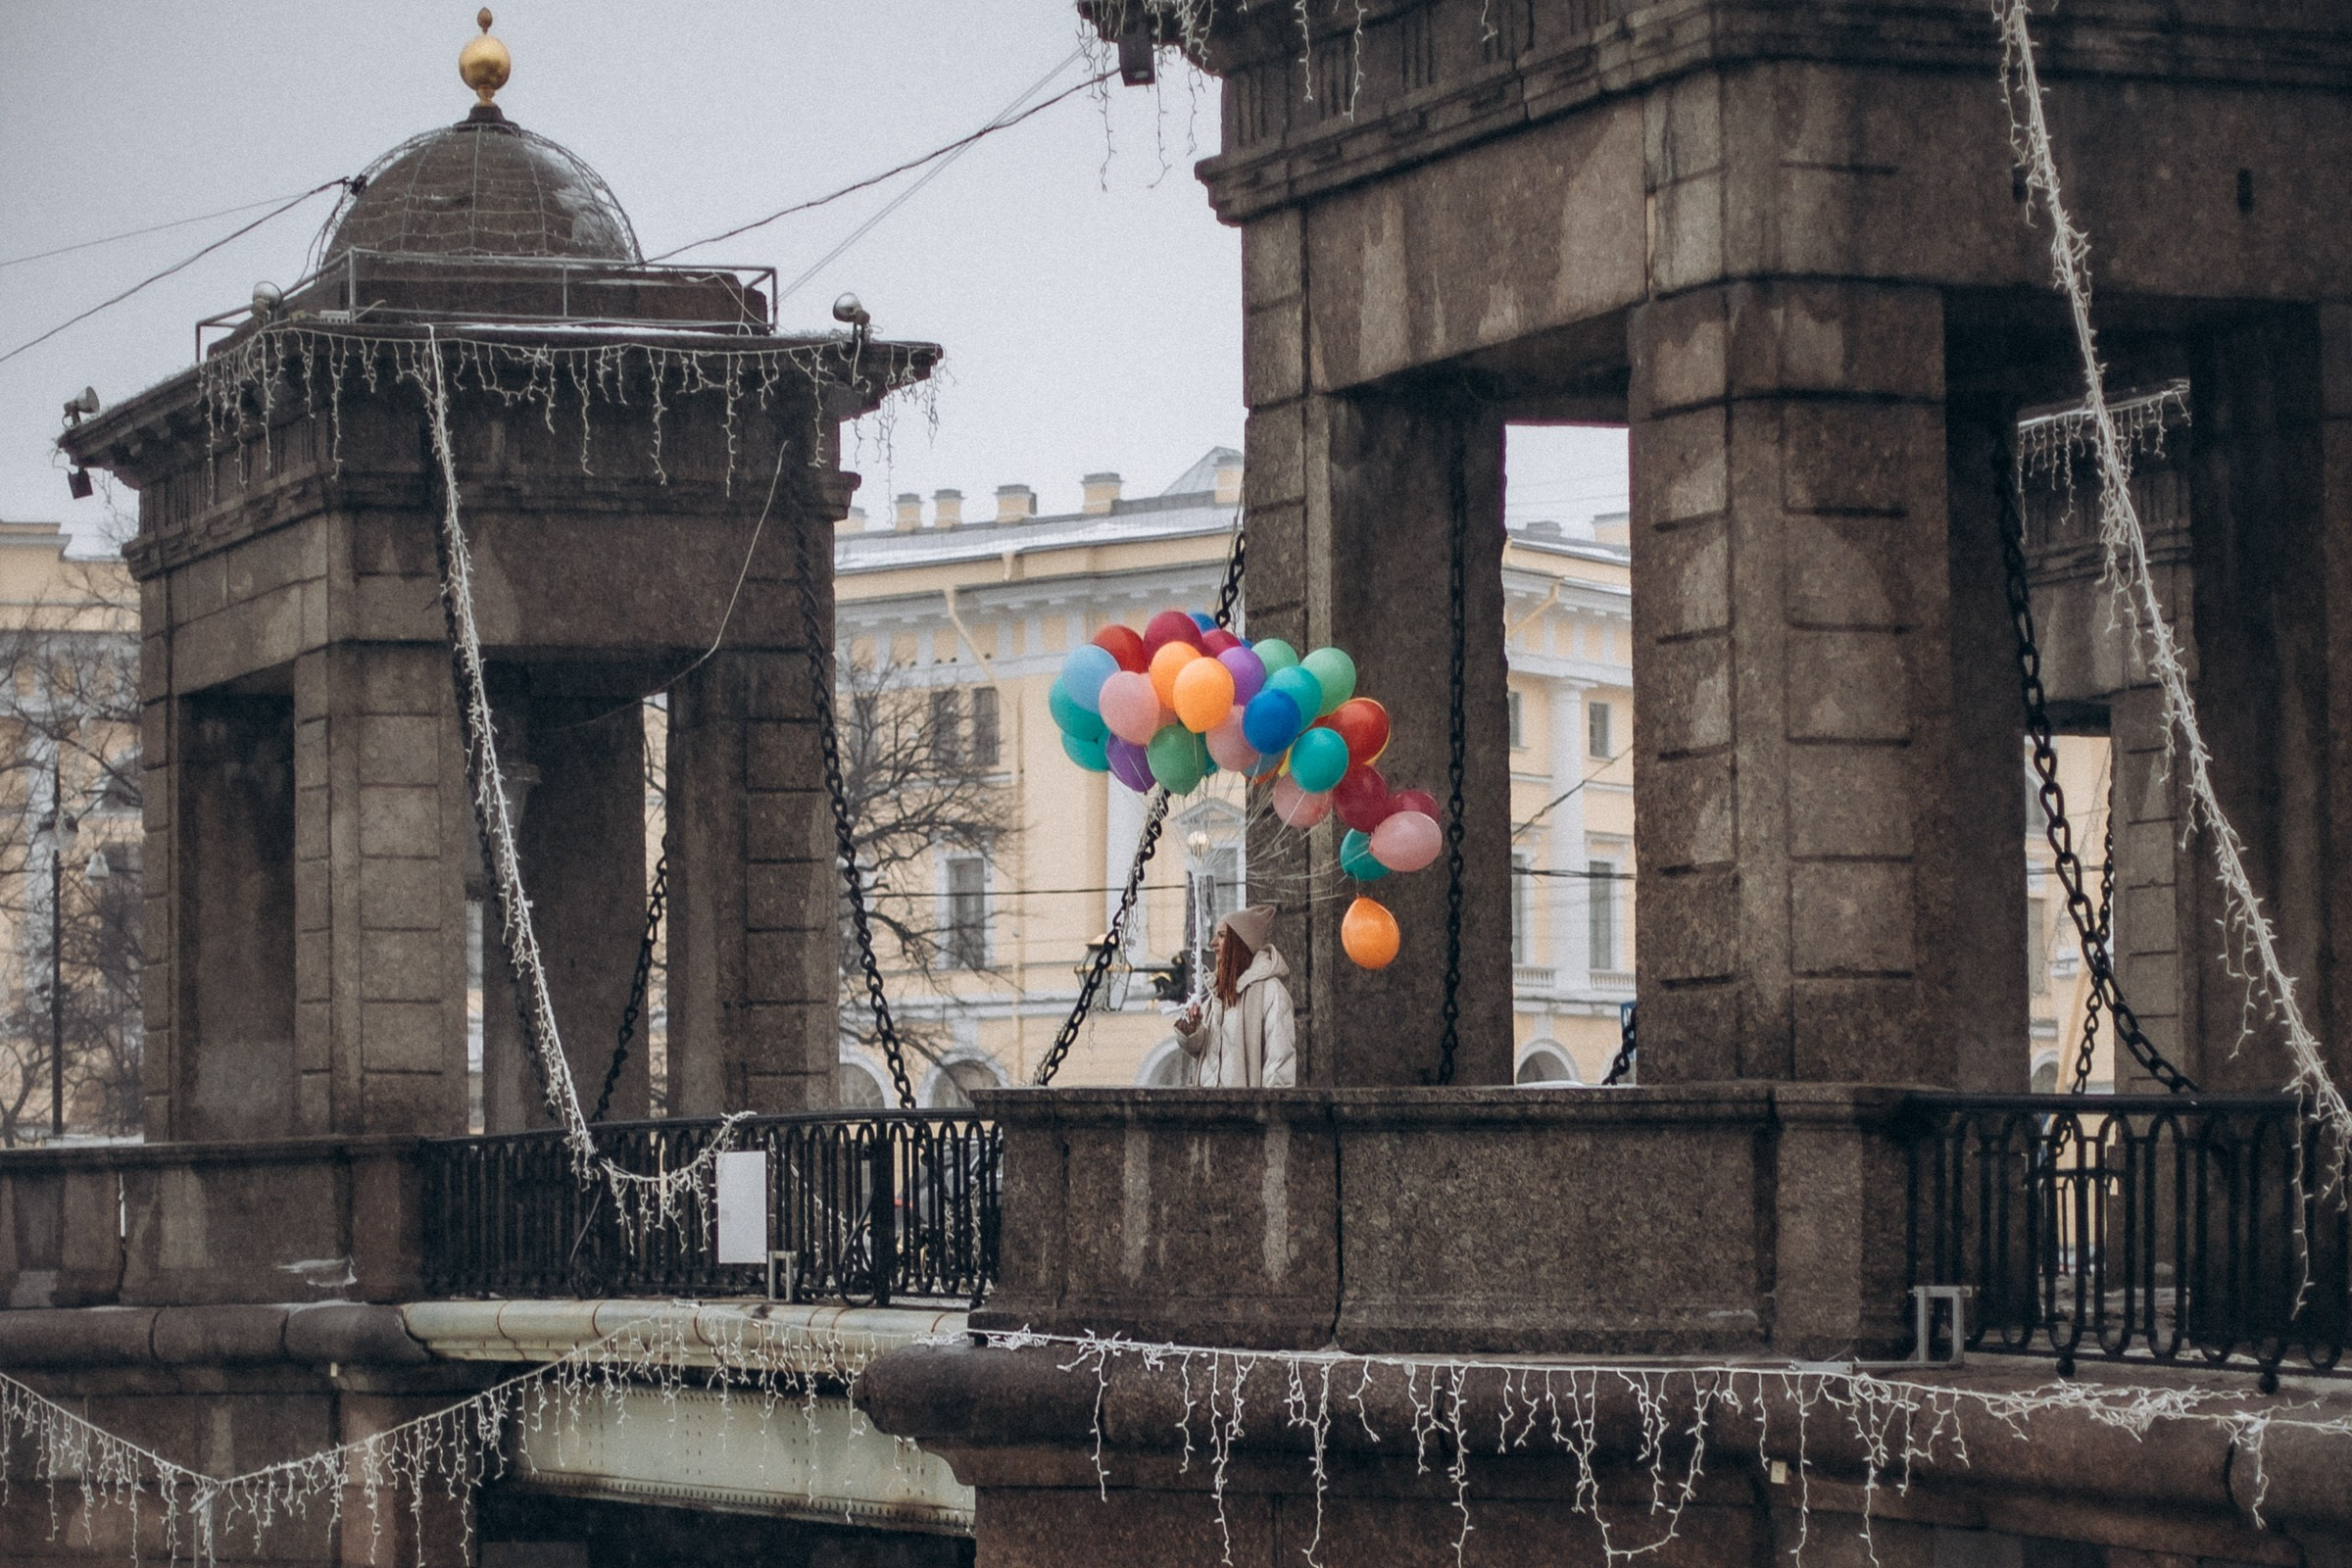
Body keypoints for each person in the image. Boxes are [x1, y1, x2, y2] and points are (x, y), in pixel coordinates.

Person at [1173, 905, 1296, 1087]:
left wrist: (1271, 1104)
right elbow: (1208, 1053)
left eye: (1222, 936)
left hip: (1245, 1105)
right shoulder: (1218, 993)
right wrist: (1193, 1030)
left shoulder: (1271, 991)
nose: (1213, 943)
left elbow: (1279, 1060)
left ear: (1239, 944)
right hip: (1208, 1103)